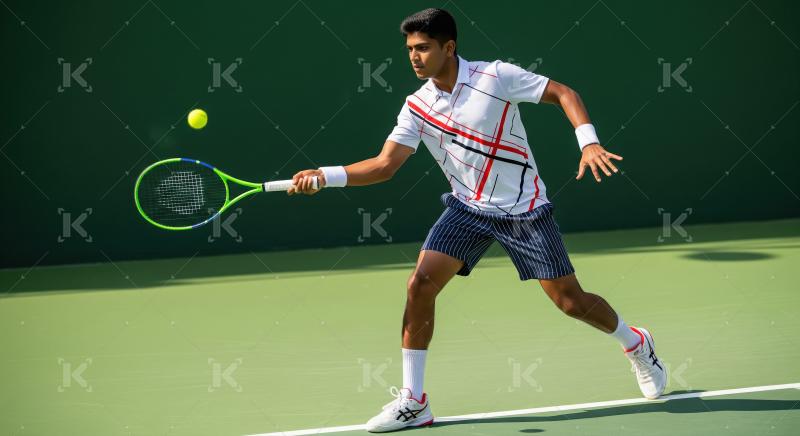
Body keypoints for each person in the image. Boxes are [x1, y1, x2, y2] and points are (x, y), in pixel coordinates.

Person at [288, 8, 666, 433]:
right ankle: (414, 401)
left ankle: (635, 343)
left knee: (570, 301)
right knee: (420, 285)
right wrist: (326, 177)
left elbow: (563, 93)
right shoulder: (417, 106)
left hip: (523, 210)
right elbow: (383, 166)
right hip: (467, 209)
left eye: (423, 48)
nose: (414, 57)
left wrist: (589, 143)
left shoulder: (495, 77)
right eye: (410, 49)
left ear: (449, 48)